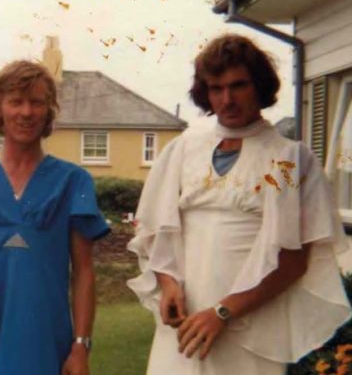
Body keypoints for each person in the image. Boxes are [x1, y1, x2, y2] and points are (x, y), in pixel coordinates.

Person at [127, 34, 351, 374]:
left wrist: (222, 312)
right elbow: (157, 228)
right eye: (216, 89)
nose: (227, 99)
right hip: (184, 327)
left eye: (238, 86)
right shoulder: (185, 149)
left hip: (250, 329)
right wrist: (168, 284)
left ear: (260, 86)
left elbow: (292, 260)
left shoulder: (285, 161)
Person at [0, 60, 110, 375]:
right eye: (16, 102)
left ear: (49, 110)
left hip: (43, 337)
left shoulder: (73, 181)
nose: (26, 112)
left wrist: (81, 346)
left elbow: (83, 272)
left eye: (36, 102)